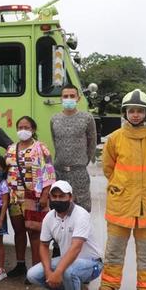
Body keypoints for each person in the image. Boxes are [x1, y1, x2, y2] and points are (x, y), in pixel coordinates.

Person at [99, 89, 146, 290]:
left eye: (140, 111)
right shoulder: (115, 138)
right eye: (131, 110)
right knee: (113, 253)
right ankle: (108, 287)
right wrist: (122, 186)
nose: (135, 114)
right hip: (120, 206)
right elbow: (108, 168)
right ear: (125, 113)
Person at [27, 180, 103, 289]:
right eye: (54, 196)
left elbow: (76, 247)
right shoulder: (49, 218)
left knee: (68, 271)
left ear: (70, 197)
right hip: (66, 260)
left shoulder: (81, 215)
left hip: (92, 263)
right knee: (32, 275)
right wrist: (49, 272)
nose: (57, 199)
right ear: (50, 197)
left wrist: (58, 272)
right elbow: (43, 245)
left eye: (62, 196)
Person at [5, 116, 56, 279]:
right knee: (18, 231)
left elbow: (49, 172)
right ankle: (20, 265)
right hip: (14, 197)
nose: (23, 130)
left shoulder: (41, 148)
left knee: (34, 233)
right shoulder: (11, 148)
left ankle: (35, 270)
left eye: (26, 127)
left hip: (34, 197)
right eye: (20, 127)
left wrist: (45, 195)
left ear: (33, 129)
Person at [50, 84, 97, 212]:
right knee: (60, 211)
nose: (68, 98)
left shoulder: (87, 118)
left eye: (72, 96)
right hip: (59, 172)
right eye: (65, 96)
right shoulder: (54, 119)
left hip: (79, 173)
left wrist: (82, 162)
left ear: (78, 98)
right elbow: (56, 142)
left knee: (82, 211)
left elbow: (92, 143)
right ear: (61, 99)